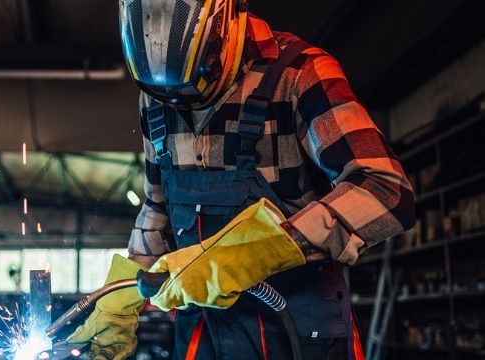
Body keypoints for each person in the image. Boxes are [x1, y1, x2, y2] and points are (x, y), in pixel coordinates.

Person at [66, 0, 416, 359]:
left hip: (294, 330)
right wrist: (121, 298)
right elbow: (159, 208)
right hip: (203, 335)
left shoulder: (300, 72)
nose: (183, 106)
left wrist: (256, 252)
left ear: (227, 23)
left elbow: (385, 189)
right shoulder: (157, 100)